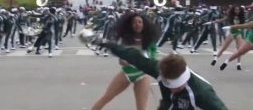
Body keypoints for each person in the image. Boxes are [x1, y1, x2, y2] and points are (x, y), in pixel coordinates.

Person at [98, 42, 228, 109]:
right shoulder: (158, 69)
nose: (172, 89)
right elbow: (133, 56)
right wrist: (104, 43)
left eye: (176, 85)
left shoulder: (203, 93)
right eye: (168, 84)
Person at [91, 13, 160, 110]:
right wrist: (124, 61)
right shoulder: (126, 39)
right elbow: (121, 59)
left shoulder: (149, 39)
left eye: (140, 22)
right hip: (127, 73)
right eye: (134, 22)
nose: (137, 24)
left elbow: (153, 57)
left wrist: (149, 61)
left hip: (142, 75)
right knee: (107, 97)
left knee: (142, 108)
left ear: (144, 24)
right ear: (130, 25)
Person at [210, 6, 245, 70]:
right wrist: (216, 21)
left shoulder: (242, 17)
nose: (237, 11)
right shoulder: (231, 16)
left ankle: (238, 64)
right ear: (233, 10)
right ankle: (215, 59)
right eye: (236, 10)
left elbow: (245, 25)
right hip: (232, 32)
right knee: (224, 47)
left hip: (239, 33)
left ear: (240, 11)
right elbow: (223, 19)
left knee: (239, 49)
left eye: (238, 10)